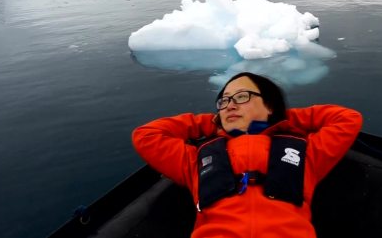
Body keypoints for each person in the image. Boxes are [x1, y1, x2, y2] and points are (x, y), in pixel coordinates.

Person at [132, 72, 363, 238]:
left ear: (270, 105)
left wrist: (279, 118)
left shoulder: (306, 154)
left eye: (242, 97)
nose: (230, 105)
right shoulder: (196, 160)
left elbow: (347, 119)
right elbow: (147, 135)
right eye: (224, 101)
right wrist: (210, 123)